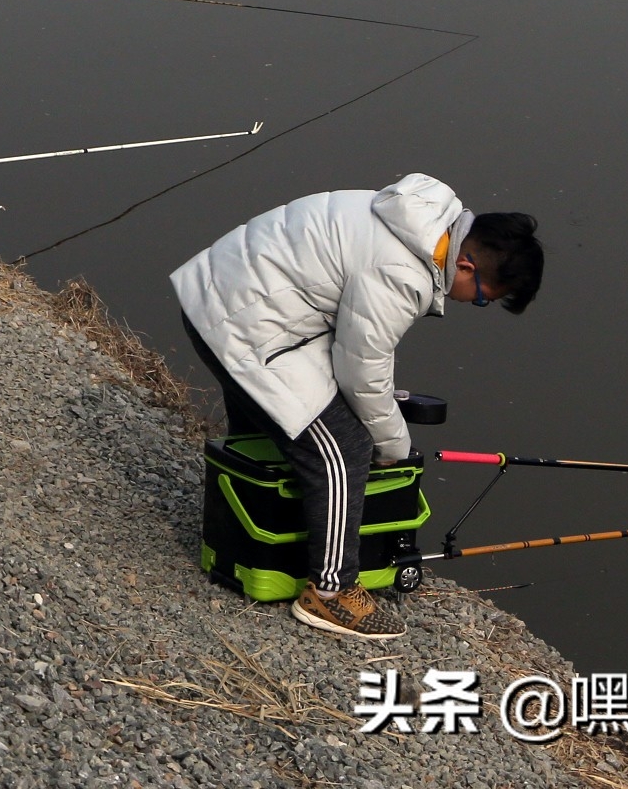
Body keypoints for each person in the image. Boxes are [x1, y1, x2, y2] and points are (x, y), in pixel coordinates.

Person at [171, 180, 543, 642]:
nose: (475, 304)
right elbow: (361, 373)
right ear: (466, 265)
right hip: (245, 321)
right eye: (484, 297)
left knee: (282, 428)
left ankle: (255, 539)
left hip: (223, 292)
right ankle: (331, 593)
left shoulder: (421, 216)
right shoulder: (403, 272)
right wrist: (395, 448)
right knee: (345, 447)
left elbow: (357, 351)